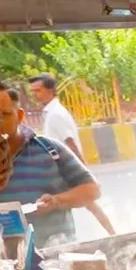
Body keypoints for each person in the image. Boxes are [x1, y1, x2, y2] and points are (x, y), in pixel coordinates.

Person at [0, 83, 102, 248]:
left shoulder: (50, 149)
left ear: (19, 116)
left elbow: (92, 190)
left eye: (3, 115)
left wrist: (56, 201)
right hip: (0, 264)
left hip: (57, 257)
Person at [27, 73, 116, 236]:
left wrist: (81, 171)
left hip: (66, 170)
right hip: (60, 169)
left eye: (38, 90)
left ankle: (114, 234)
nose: (34, 95)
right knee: (90, 206)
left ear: (51, 90)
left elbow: (70, 143)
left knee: (89, 204)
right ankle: (113, 234)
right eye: (32, 91)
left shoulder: (56, 114)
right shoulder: (50, 112)